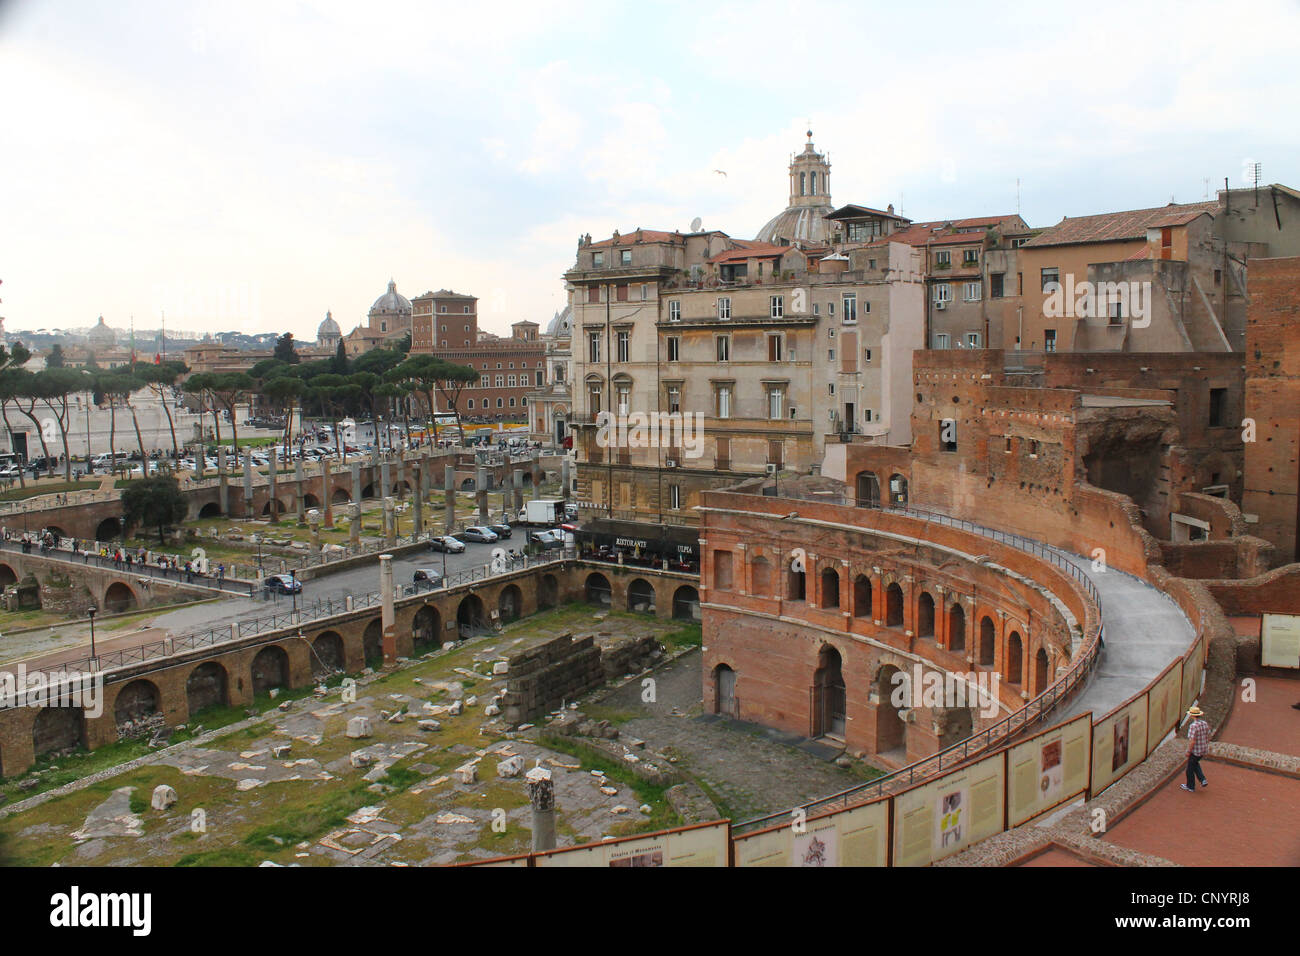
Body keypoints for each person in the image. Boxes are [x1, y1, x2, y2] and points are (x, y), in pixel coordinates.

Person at [1181, 705, 1210, 792]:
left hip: (1195, 750)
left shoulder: (1193, 726)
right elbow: (1209, 734)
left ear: (1192, 715)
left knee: (1189, 769)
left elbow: (1192, 741)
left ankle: (1190, 786)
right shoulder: (1204, 723)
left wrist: (1188, 751)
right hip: (1203, 749)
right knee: (1195, 763)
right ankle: (1202, 779)